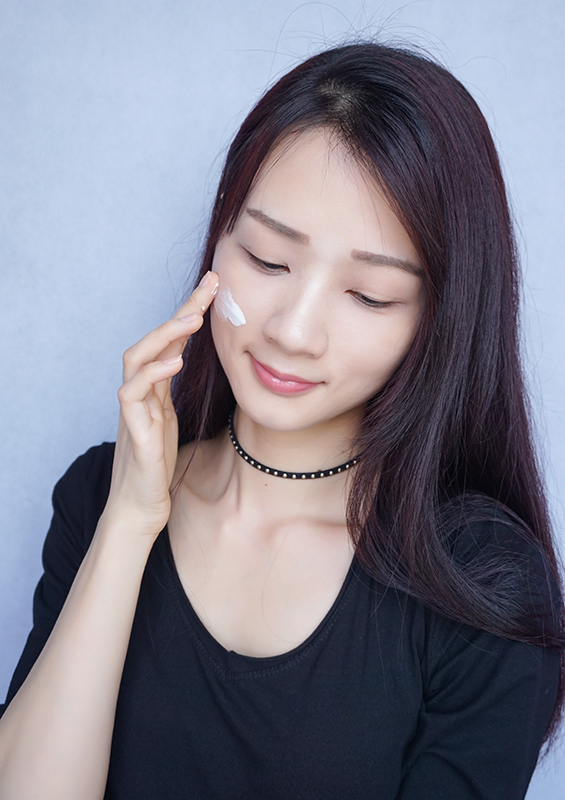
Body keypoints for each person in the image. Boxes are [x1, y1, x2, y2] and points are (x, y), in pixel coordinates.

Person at [0, 40, 563, 800]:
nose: (293, 332)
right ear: (220, 239)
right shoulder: (100, 496)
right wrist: (128, 523)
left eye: (368, 296)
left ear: (439, 321)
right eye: (267, 259)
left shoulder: (483, 581)